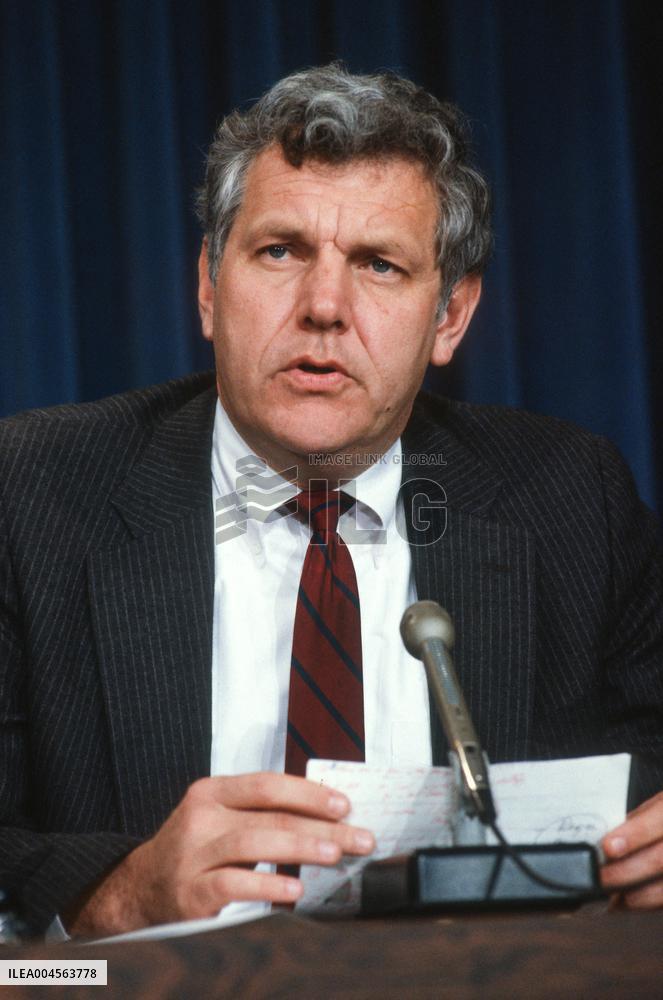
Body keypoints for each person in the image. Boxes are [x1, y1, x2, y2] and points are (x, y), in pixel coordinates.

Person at [1, 64, 663, 939]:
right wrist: (117, 897)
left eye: (379, 265)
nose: (323, 306)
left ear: (450, 318)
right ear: (208, 285)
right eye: (281, 251)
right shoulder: (33, 491)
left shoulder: (568, 499)